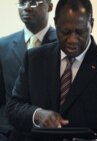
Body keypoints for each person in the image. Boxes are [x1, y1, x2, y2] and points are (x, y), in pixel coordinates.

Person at [7, 0, 97, 141]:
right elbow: (13, 108)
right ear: (55, 23)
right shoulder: (34, 59)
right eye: (65, 32)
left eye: (79, 32)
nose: (72, 40)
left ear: (91, 24)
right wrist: (37, 114)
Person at [0, 0, 56, 140]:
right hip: (9, 134)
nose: (27, 8)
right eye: (22, 2)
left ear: (49, 6)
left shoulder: (64, 44)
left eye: (33, 2)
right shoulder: (3, 46)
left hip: (49, 133)